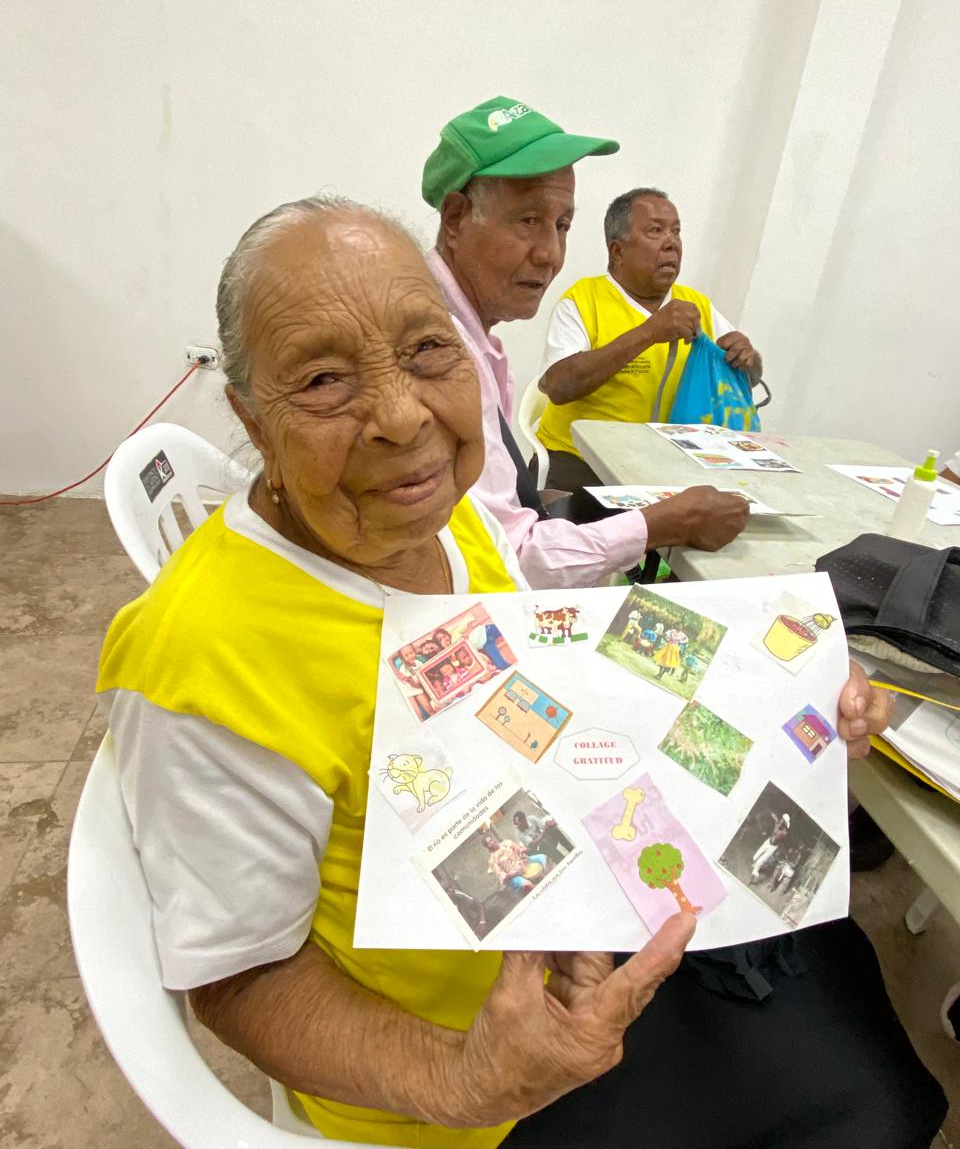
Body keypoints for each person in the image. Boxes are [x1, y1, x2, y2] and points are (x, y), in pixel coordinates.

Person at [96, 194, 942, 1149]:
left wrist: (788, 702)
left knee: (838, 978)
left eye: (428, 350)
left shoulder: (443, 510)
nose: (402, 417)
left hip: (580, 906)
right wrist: (461, 1078)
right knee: (871, 1112)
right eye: (325, 379)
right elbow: (239, 978)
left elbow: (541, 664)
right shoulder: (202, 663)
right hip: (478, 1075)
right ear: (251, 417)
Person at [422, 97, 750, 586]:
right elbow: (512, 560)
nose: (550, 254)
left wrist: (745, 354)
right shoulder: (442, 353)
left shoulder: (695, 304)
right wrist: (665, 523)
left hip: (650, 470)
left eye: (562, 226)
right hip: (580, 470)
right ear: (455, 219)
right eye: (528, 220)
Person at [536, 188, 763, 493]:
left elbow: (749, 380)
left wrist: (748, 358)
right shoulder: (582, 301)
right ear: (618, 251)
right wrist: (649, 332)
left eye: (676, 231)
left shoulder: (696, 306)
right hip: (582, 463)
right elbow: (559, 386)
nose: (672, 243)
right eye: (656, 231)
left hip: (669, 467)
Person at [483, 832, 549, 894]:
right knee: (527, 885)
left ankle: (548, 877)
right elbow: (503, 876)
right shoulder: (492, 860)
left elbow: (519, 851)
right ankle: (540, 892)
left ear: (494, 839)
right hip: (513, 877)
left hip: (524, 863)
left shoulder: (507, 843)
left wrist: (523, 852)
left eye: (491, 840)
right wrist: (515, 874)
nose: (491, 843)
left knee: (544, 857)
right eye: (488, 844)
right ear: (487, 847)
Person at [751, 811, 791, 883]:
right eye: (781, 819)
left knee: (760, 861)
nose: (781, 820)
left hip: (772, 847)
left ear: (785, 823)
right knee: (755, 857)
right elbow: (773, 816)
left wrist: (779, 824)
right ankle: (756, 867)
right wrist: (770, 812)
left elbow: (778, 834)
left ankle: (755, 875)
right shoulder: (778, 823)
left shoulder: (784, 832)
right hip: (768, 842)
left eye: (783, 820)